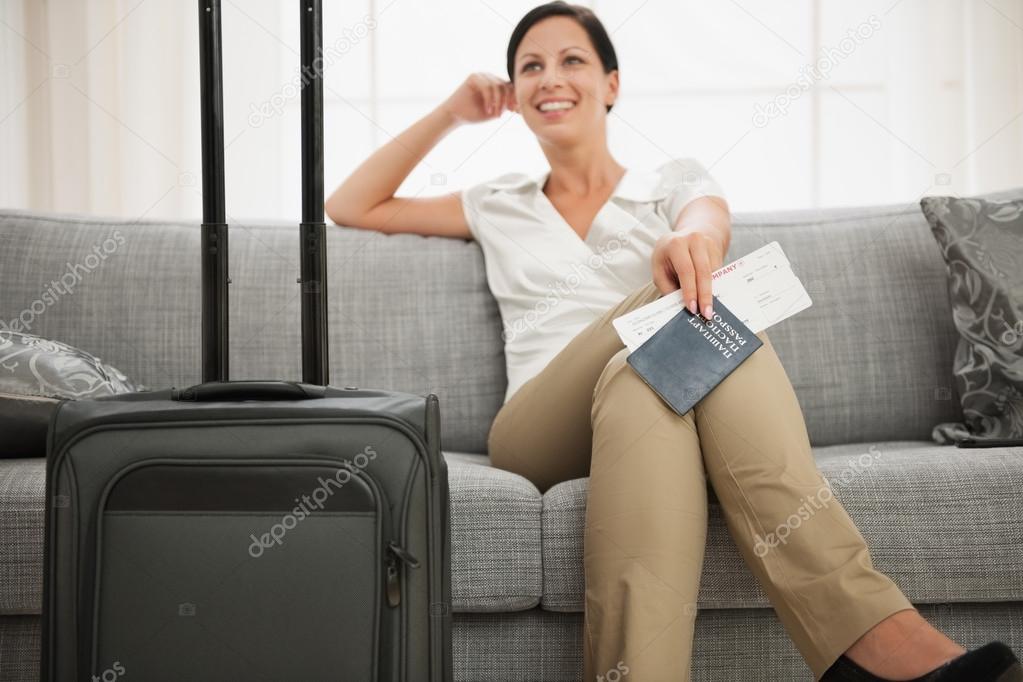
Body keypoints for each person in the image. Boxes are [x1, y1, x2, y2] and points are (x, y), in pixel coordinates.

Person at [325, 3, 1023, 680]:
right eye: (530, 66)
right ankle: (880, 638)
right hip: (540, 426)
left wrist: (691, 240)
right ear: (516, 94)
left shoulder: (669, 183)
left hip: (648, 394)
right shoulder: (495, 202)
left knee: (643, 380)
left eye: (572, 59)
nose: (550, 77)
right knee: (685, 309)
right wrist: (452, 113)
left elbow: (703, 222)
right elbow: (349, 206)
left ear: (611, 84)